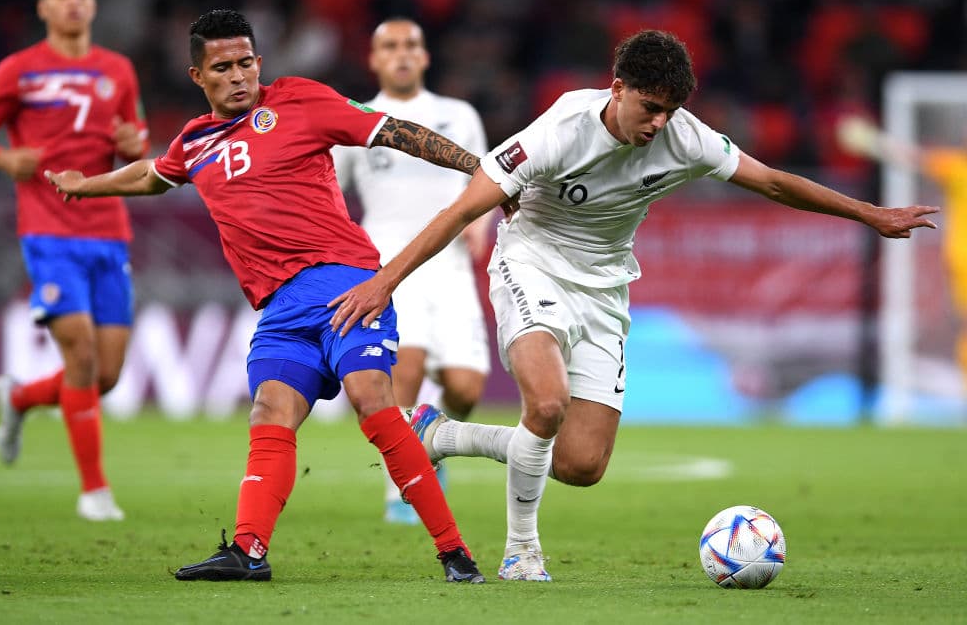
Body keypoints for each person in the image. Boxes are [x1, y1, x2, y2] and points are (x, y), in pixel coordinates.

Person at [328, 30, 940, 581]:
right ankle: (522, 552)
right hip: (531, 263)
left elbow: (775, 182)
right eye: (650, 107)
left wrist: (870, 214)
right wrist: (384, 282)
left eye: (670, 110)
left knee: (582, 465)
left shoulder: (687, 137)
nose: (658, 123)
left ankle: (440, 433)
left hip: (605, 288)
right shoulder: (558, 131)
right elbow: (461, 210)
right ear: (617, 88)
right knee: (547, 403)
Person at [46, 9, 485, 583]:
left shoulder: (300, 99)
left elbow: (393, 131)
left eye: (245, 63)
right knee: (269, 412)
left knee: (372, 399)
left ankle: (454, 552)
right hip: (279, 310)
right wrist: (86, 186)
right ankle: (249, 550)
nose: (237, 76)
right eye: (221, 67)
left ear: (259, 62)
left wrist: (482, 171)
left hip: (344, 287)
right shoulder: (194, 141)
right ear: (197, 76)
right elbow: (152, 175)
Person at [0, 0, 149, 522]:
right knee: (81, 355)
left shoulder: (118, 69)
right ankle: (95, 491)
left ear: (93, 4)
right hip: (47, 231)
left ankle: (19, 398)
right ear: (43, 7)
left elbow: (137, 142)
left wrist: (132, 142)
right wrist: (3, 159)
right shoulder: (18, 69)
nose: (73, 1)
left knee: (105, 375)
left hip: (109, 232)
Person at [331, 18, 493, 525]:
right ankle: (399, 486)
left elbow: (486, 177)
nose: (401, 54)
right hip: (388, 266)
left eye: (410, 46)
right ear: (374, 59)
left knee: (466, 387)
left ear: (424, 57)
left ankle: (430, 439)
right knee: (406, 368)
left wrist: (480, 224)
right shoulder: (356, 121)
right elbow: (328, 192)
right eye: (390, 46)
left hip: (450, 266)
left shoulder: (458, 115)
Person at [838, 114, 967, 398]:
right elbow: (916, 158)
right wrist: (874, 142)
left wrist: (871, 141)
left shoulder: (957, 167)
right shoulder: (957, 168)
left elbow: (914, 158)